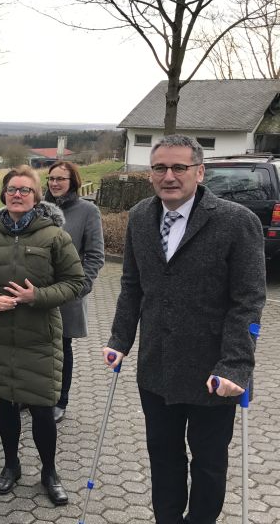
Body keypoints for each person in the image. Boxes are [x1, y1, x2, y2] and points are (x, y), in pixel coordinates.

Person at [104, 134, 264, 524]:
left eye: (179, 167)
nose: (169, 176)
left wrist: (234, 366)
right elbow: (132, 285)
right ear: (150, 174)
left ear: (199, 171)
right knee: (163, 457)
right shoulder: (141, 216)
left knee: (208, 464)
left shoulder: (236, 221)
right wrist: (119, 339)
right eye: (160, 167)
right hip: (156, 367)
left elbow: (248, 301)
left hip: (214, 373)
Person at [0, 165, 84, 506]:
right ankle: (11, 465)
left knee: (43, 407)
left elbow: (75, 282)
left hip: (40, 336)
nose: (18, 194)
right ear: (4, 195)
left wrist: (37, 297)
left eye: (25, 190)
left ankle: (50, 471)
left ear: (36, 197)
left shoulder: (54, 237)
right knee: (5, 401)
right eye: (12, 189)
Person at [44, 160, 104, 423]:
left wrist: (80, 287)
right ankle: (32, 395)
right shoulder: (39, 208)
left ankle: (60, 399)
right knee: (36, 345)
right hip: (36, 290)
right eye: (51, 178)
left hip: (68, 292)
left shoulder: (87, 211)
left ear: (73, 182)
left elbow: (96, 255)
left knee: (62, 345)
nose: (55, 183)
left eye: (61, 179)